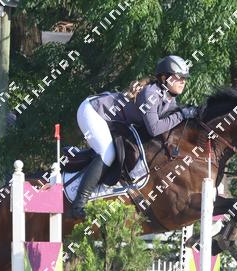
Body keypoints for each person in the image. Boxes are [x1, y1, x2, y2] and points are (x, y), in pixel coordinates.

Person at [71, 55, 197, 218]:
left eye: (184, 78)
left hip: (112, 120)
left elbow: (169, 123)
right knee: (107, 153)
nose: (183, 81)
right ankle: (78, 204)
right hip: (93, 112)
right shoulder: (151, 94)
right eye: (179, 77)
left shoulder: (168, 98)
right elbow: (154, 129)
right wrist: (182, 115)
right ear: (164, 77)